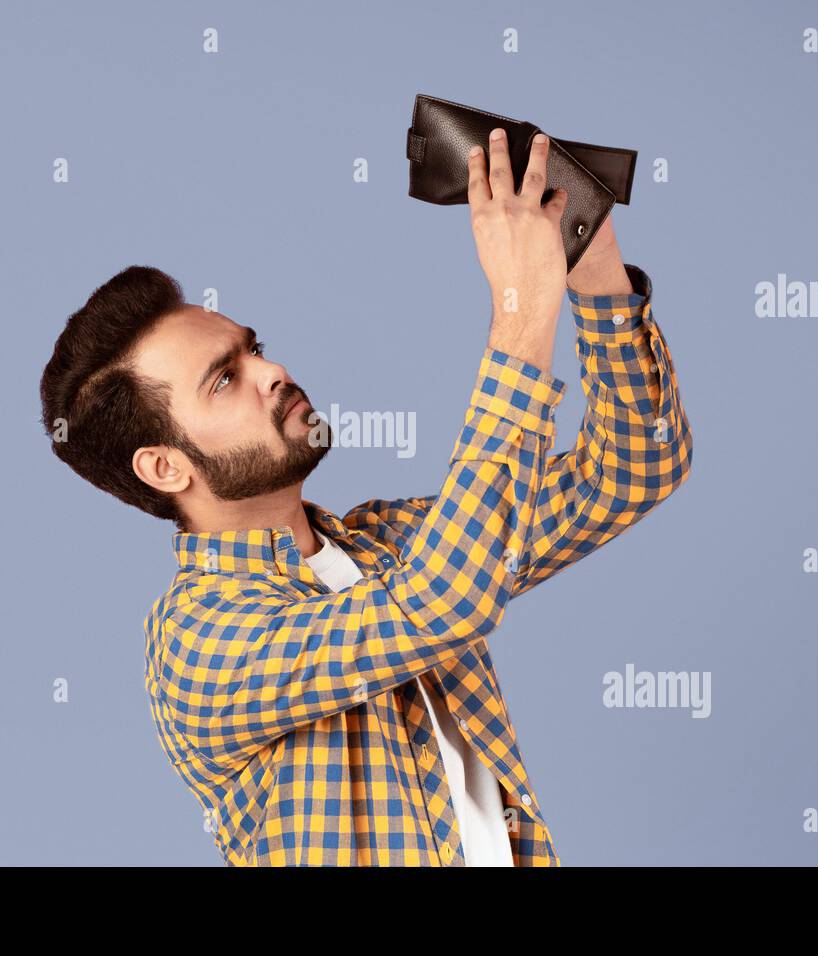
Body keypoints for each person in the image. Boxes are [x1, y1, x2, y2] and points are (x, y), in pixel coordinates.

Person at [39, 128, 692, 865]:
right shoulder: (198, 641)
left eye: (253, 348)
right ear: (164, 468)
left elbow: (634, 469)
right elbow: (443, 600)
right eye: (224, 379)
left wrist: (589, 264)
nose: (272, 370)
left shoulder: (387, 544)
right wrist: (522, 307)